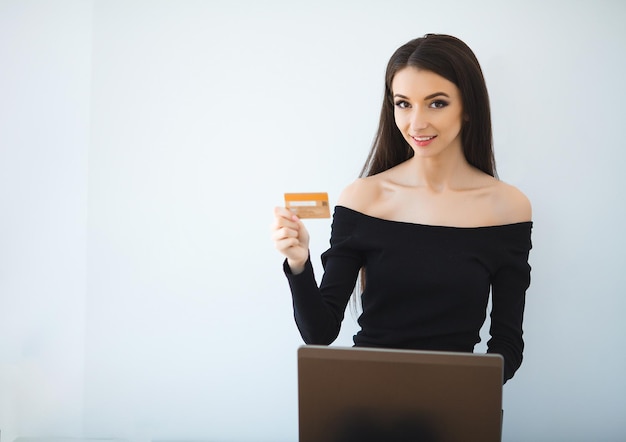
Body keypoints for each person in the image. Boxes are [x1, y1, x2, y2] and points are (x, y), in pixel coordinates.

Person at [271, 34, 532, 383]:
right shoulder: (363, 198)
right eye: (403, 104)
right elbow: (319, 332)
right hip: (361, 401)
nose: (416, 123)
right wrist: (298, 263)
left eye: (436, 103)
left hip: (453, 405)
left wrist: (460, 395)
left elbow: (507, 345)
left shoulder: (508, 207)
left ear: (467, 107)